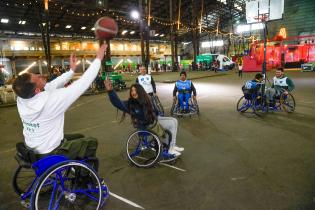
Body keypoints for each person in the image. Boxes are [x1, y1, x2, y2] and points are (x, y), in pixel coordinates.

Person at [12, 44, 108, 170]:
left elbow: (52, 85)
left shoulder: (22, 98)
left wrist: (71, 71)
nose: (41, 76)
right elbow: (83, 82)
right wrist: (98, 59)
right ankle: (83, 180)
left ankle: (74, 167)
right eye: (37, 78)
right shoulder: (52, 101)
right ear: (36, 90)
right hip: (51, 153)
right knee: (90, 142)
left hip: (32, 149)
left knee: (79, 137)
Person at [105, 80, 184, 156]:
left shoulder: (147, 100)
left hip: (153, 121)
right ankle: (171, 148)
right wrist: (111, 91)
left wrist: (157, 115)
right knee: (172, 123)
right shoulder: (130, 104)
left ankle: (171, 145)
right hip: (147, 126)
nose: (133, 92)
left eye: (135, 90)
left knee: (174, 120)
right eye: (132, 91)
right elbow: (117, 103)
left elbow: (155, 112)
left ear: (140, 91)